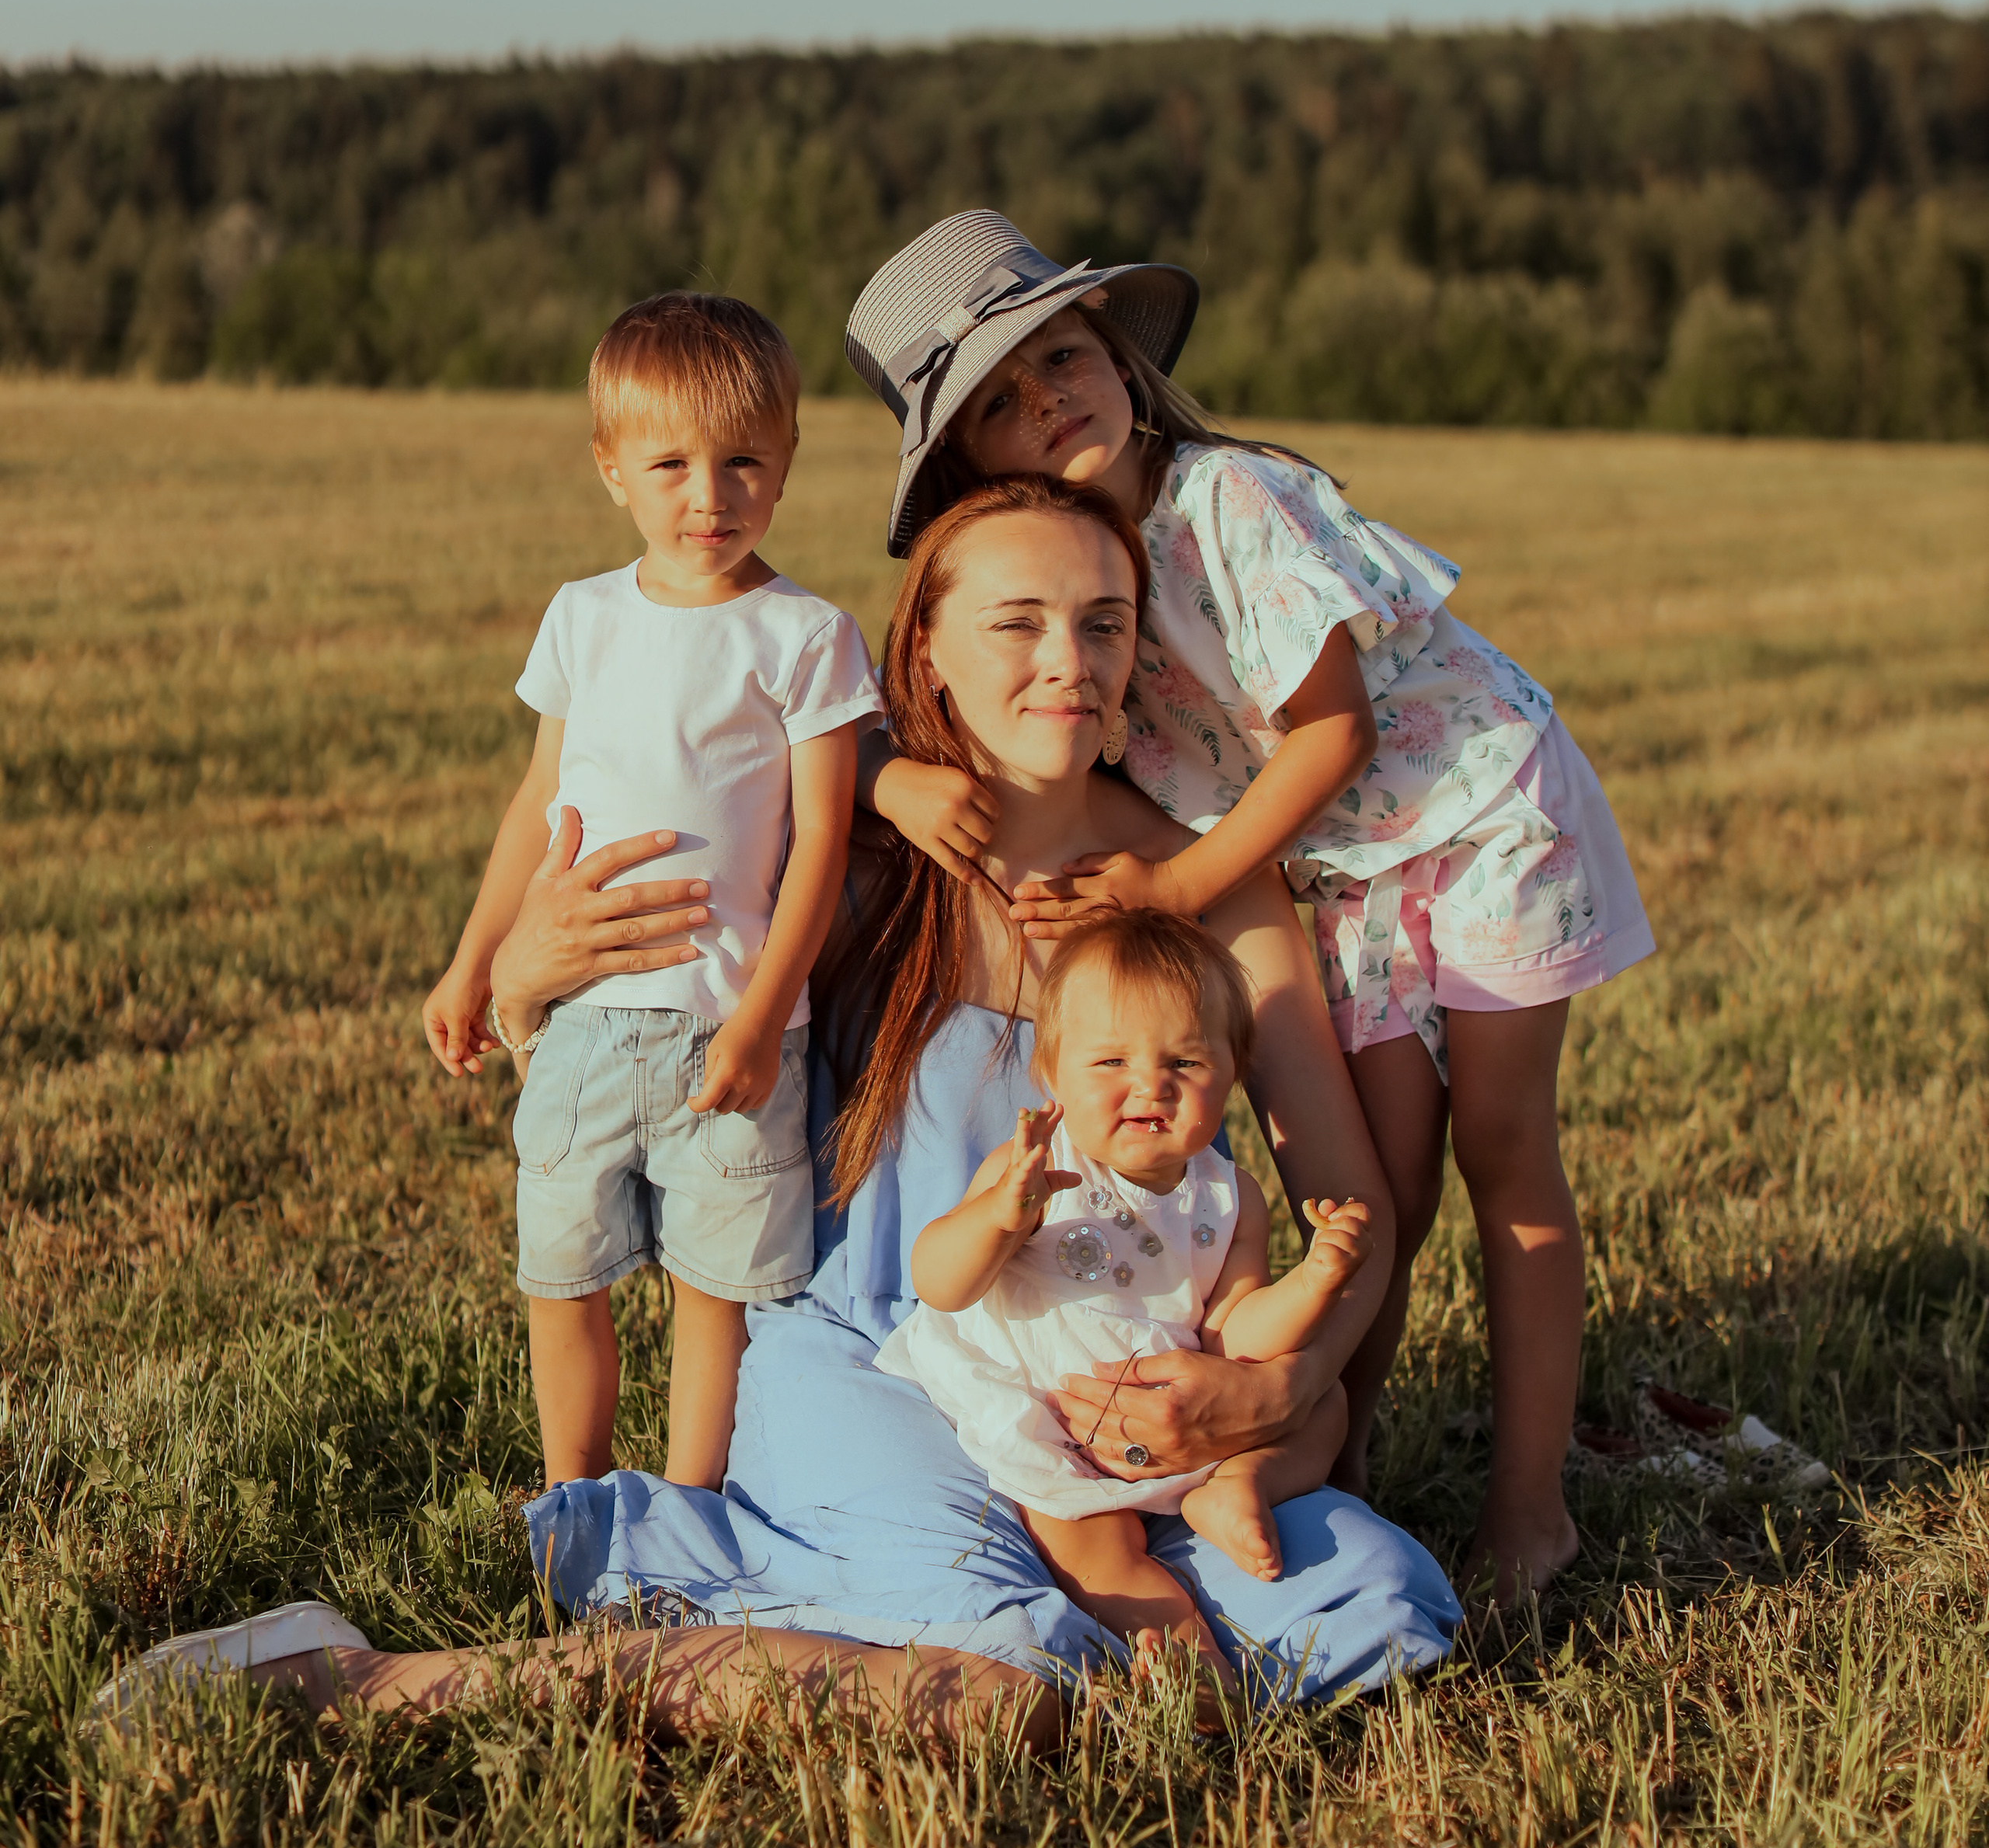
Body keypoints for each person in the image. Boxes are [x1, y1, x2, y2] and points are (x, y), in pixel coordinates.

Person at [101, 482, 1454, 1738]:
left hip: (1117, 1400)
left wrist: (1264, 1384)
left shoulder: (1201, 882)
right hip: (869, 1363)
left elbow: (1350, 1206)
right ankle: (375, 1684)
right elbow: (596, 1044)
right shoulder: (832, 859)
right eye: (1018, 622)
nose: (1070, 660)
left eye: (1104, 624)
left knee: (1380, 1596)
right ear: (924, 648)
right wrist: (520, 975)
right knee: (1006, 1690)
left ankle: (1057, 1625)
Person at [844, 211, 1656, 1600]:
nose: (1048, 401)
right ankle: (1338, 1459)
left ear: (1120, 357)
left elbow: (1331, 736)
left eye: (1063, 356)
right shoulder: (1084, 584)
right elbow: (819, 715)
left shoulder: (1226, 504)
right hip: (1340, 872)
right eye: (999, 401)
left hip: (1472, 818)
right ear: (973, 464)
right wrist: (889, 784)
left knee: (1504, 1153)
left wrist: (1171, 887)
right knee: (1378, 1190)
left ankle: (1531, 1506)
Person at [420, 291, 883, 1488]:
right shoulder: (583, 617)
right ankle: (572, 1499)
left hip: (728, 1028)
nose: (709, 496)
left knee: (711, 1291)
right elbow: (538, 803)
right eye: (671, 463)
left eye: (744, 462)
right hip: (580, 1024)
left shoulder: (805, 635)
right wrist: (475, 962)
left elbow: (823, 842)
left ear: (785, 465)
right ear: (610, 468)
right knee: (560, 1273)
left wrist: (765, 1019)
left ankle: (692, 1510)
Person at [878, 910, 1377, 1683]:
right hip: (1056, 1413)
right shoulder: (1033, 1170)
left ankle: (1239, 1488)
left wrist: (1314, 1281)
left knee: (1328, 1407)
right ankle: (1179, 1650)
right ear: (1053, 1073)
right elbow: (939, 1283)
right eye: (1110, 1061)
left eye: (1184, 1061)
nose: (1150, 1084)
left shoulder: (1228, 1195)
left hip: (1179, 1410)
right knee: (1095, 1545)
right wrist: (1000, 1217)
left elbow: (1236, 1333)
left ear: (1231, 1072)